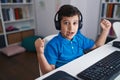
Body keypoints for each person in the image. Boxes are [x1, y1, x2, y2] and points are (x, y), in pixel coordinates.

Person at [35, 5, 111, 74]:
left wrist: (105, 30)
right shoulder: (53, 45)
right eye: (66, 23)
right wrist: (40, 53)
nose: (71, 28)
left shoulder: (79, 38)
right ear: (58, 25)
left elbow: (97, 46)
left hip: (83, 72)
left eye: (75, 23)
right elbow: (48, 72)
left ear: (79, 24)